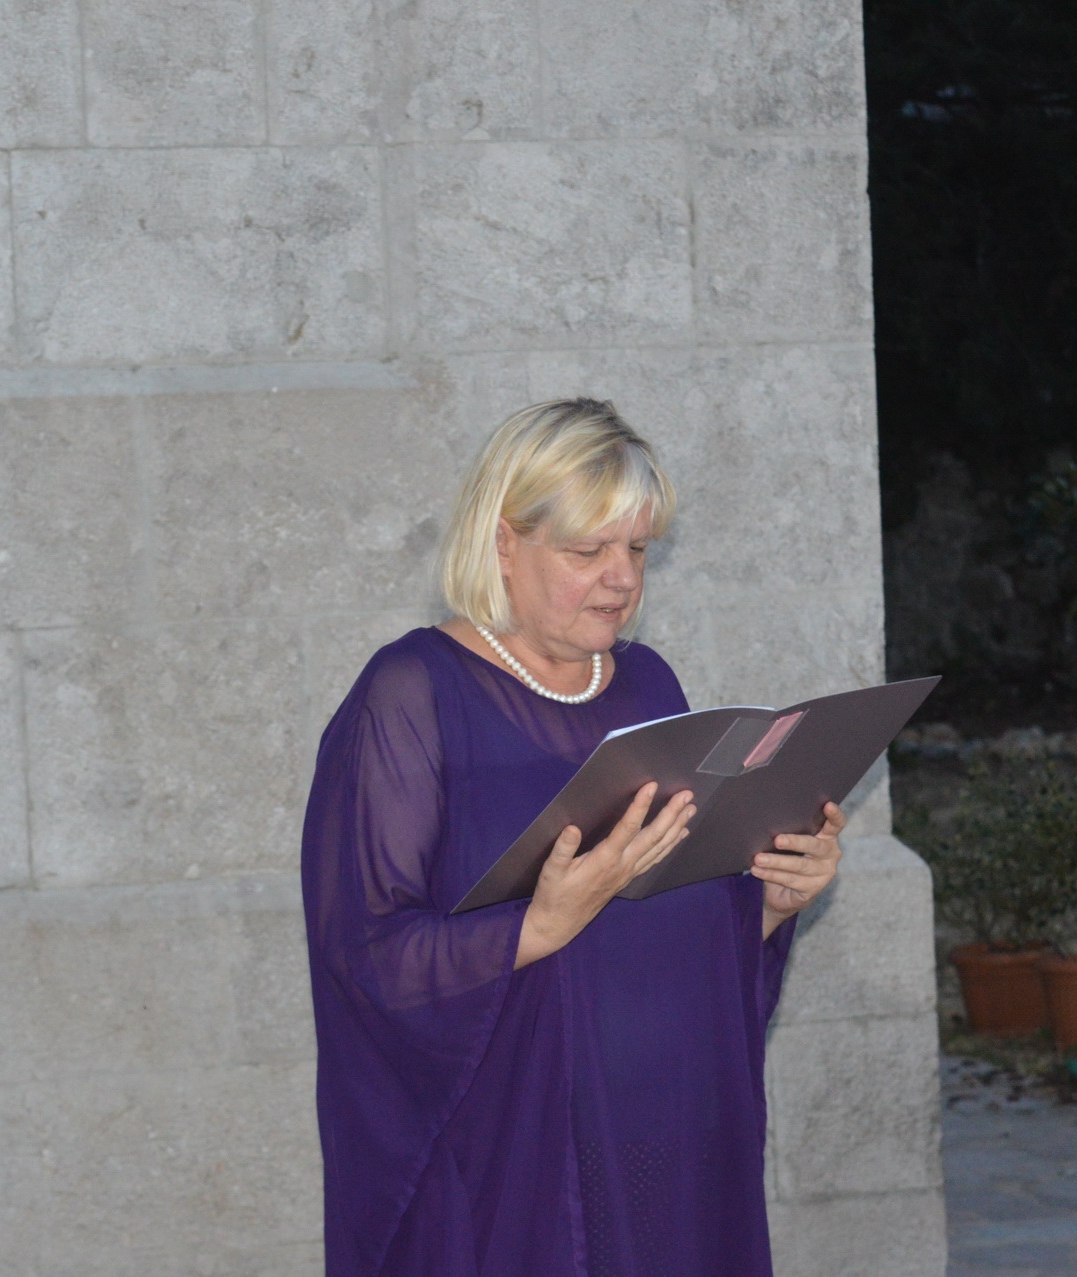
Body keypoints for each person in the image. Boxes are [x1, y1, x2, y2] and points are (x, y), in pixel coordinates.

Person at [301, 399, 845, 1276]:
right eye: (588, 551)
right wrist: (535, 926)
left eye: (638, 549)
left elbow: (671, 916)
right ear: (503, 543)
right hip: (507, 1171)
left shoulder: (650, 684)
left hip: (659, 1146)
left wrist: (771, 905)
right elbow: (366, 959)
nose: (621, 578)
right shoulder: (409, 696)